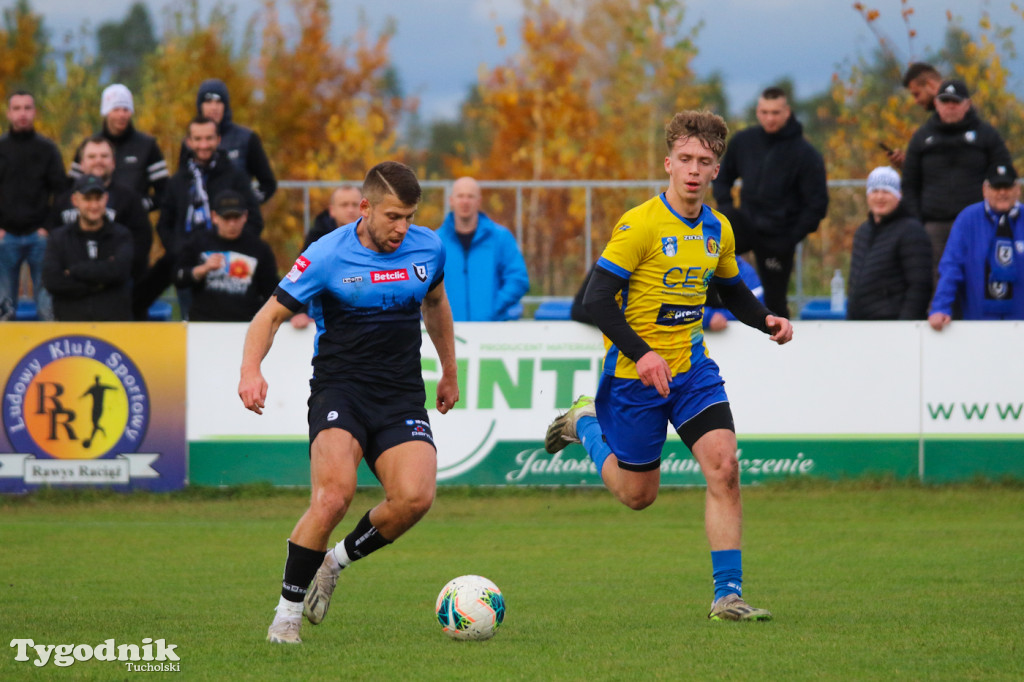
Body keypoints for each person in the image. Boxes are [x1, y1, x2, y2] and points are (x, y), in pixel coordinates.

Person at [545, 110, 793, 622]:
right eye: (685, 159)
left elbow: (730, 290)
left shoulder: (717, 229)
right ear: (668, 163)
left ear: (717, 170)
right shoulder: (640, 223)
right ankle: (584, 422)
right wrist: (643, 353)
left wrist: (764, 318)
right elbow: (596, 299)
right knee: (639, 496)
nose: (694, 170)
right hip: (635, 376)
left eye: (705, 161)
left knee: (724, 466)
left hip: (692, 371)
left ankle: (728, 596)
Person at [237, 161, 459, 644]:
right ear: (365, 208)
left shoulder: (429, 247)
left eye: (410, 217)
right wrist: (251, 370)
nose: (402, 228)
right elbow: (269, 316)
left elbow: (436, 304)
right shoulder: (326, 255)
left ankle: (333, 564)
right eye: (393, 217)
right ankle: (286, 616)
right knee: (333, 496)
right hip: (341, 389)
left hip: (401, 393)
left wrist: (449, 371)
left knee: (415, 498)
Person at [712, 86, 829, 319]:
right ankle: (710, 318)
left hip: (779, 236)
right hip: (745, 223)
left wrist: (791, 238)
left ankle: (778, 345)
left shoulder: (805, 153)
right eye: (765, 112)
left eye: (775, 112)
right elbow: (721, 177)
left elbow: (817, 205)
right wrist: (726, 208)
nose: (770, 118)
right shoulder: (744, 142)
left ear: (787, 112)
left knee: (774, 302)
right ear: (757, 111)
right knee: (713, 258)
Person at [149, 116, 263, 318]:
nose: (203, 145)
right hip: (191, 269)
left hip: (230, 270)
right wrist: (180, 253)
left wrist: (235, 250)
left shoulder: (235, 177)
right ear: (189, 141)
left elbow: (254, 220)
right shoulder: (178, 181)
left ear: (218, 140)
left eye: (209, 138)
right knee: (192, 327)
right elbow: (164, 224)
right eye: (198, 139)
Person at [901, 79, 1012, 283]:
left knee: (980, 278)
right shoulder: (922, 137)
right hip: (935, 226)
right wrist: (917, 222)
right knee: (938, 280)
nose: (950, 106)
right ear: (936, 104)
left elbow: (1004, 177)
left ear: (967, 104)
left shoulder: (986, 135)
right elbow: (909, 184)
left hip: (979, 224)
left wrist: (995, 216)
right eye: (945, 101)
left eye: (956, 101)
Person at [52, 135, 153, 317]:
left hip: (118, 293)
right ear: (81, 163)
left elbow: (141, 244)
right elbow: (54, 252)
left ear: (113, 162)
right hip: (71, 298)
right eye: (92, 156)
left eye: (104, 156)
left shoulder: (130, 199)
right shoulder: (63, 200)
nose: (98, 161)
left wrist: (110, 275)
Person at [929, 164, 1024, 328]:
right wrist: (941, 307)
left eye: (1007, 187)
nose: (1002, 192)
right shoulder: (968, 219)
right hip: (977, 324)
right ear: (985, 190)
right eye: (996, 187)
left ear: (1017, 189)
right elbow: (951, 266)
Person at [0, 91, 68, 321]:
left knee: (47, 310)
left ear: (35, 112)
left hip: (40, 237)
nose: (22, 114)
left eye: (27, 108)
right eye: (17, 108)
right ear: (8, 113)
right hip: (5, 237)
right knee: (3, 309)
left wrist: (48, 227)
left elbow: (62, 192)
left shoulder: (47, 149)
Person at [174, 190, 278, 322]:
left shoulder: (259, 248)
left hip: (244, 324)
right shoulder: (198, 243)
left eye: (236, 217)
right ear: (214, 217)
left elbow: (271, 290)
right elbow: (178, 278)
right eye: (226, 218)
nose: (232, 224)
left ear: (245, 216)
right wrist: (202, 269)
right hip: (203, 324)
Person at [41, 175, 134, 321]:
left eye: (98, 199)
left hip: (114, 327)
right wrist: (100, 284)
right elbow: (52, 281)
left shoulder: (121, 236)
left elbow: (119, 272)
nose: (94, 205)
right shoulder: (58, 238)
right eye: (87, 199)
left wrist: (74, 271)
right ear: (75, 201)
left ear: (106, 199)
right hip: (71, 329)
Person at [436, 176, 529, 321]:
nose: (465, 201)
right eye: (460, 196)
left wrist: (494, 308)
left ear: (479, 201)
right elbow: (422, 284)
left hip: (491, 333)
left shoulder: (501, 238)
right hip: (448, 332)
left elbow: (518, 279)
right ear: (451, 200)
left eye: (470, 196)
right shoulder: (436, 242)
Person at [846, 166, 933, 320]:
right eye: (875, 191)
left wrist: (904, 326)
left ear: (898, 195)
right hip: (860, 326)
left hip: (892, 327)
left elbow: (920, 286)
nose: (879, 197)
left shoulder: (912, 231)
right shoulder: (862, 232)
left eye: (886, 191)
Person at [70, 84, 168, 212]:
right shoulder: (89, 146)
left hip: (133, 224)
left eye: (126, 109)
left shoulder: (147, 145)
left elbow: (165, 191)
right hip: (92, 221)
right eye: (116, 109)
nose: (121, 115)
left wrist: (140, 206)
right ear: (105, 112)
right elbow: (70, 188)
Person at [182, 79, 277, 204]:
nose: (213, 107)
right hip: (200, 217)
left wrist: (246, 204)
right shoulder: (189, 143)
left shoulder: (246, 139)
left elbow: (268, 183)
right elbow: (181, 184)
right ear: (200, 105)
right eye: (208, 102)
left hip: (234, 219)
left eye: (218, 102)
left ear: (225, 106)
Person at [290, 185, 363, 329]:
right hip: (327, 312)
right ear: (332, 210)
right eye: (344, 205)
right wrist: (299, 311)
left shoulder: (376, 236)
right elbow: (300, 274)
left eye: (355, 204)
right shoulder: (317, 239)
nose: (350, 209)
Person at [885, 63, 943, 168]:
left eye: (917, 94)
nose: (916, 101)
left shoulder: (961, 117)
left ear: (931, 85)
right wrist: (908, 164)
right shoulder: (933, 124)